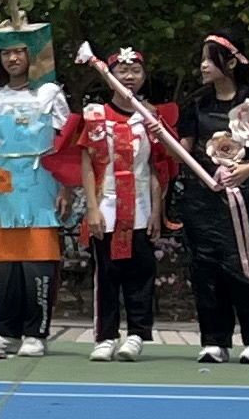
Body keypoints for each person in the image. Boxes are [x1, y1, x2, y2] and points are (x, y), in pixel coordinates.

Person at [0, 16, 74, 358]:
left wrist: (66, 187)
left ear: (32, 55)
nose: (12, 58)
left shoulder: (50, 93)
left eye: (19, 51)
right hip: (2, 189)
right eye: (6, 53)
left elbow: (66, 143)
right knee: (4, 266)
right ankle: (5, 333)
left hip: (40, 185)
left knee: (38, 261)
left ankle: (35, 333)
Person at [69, 45, 181, 360]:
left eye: (135, 71)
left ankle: (136, 335)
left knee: (140, 273)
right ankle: (105, 336)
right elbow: (87, 164)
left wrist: (158, 211)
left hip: (141, 206)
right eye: (122, 70)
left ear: (144, 76)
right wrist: (91, 208)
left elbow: (159, 166)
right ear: (110, 76)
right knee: (106, 274)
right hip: (106, 205)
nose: (129, 76)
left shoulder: (151, 117)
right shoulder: (95, 115)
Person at [173, 35, 249, 364]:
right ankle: (214, 340)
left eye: (210, 59)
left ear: (230, 62)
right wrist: (161, 137)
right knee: (204, 266)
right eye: (202, 59)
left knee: (241, 263)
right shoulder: (197, 105)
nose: (203, 66)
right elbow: (183, 150)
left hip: (240, 196)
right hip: (201, 195)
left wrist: (247, 171)